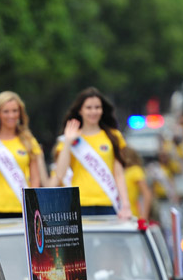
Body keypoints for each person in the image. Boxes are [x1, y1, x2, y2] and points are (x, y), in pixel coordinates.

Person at [50, 87, 132, 218]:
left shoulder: (113, 136)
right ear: (80, 110)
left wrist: (126, 205)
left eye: (97, 107)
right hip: (81, 203)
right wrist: (68, 142)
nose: (93, 111)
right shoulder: (69, 138)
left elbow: (119, 173)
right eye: (89, 108)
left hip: (108, 202)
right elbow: (60, 174)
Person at [0, 92, 46, 218]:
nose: (11, 115)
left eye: (15, 111)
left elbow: (35, 179)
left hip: (23, 205)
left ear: (20, 113)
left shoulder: (28, 140)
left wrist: (32, 205)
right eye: (6, 111)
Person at [122, 146, 153, 220]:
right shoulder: (121, 171)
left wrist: (144, 217)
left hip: (131, 215)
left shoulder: (135, 171)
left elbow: (147, 194)